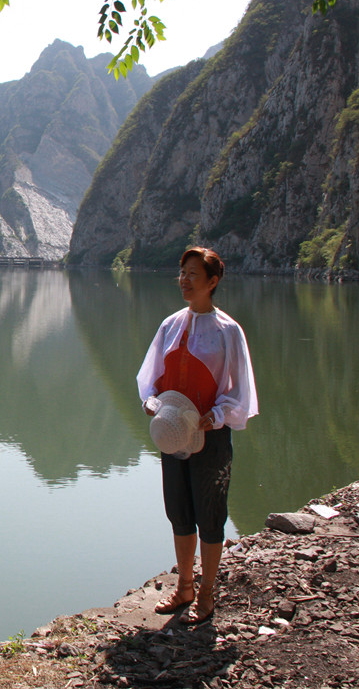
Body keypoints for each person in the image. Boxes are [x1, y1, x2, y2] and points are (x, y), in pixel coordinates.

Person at [136, 247, 258, 624]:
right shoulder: (170, 325)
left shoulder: (228, 331)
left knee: (211, 514)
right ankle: (184, 585)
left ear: (212, 282)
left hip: (210, 436)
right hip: (173, 433)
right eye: (182, 273)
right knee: (179, 511)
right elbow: (150, 375)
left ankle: (207, 592)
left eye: (193, 274)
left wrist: (217, 415)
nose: (185, 281)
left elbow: (240, 391)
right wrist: (151, 402)